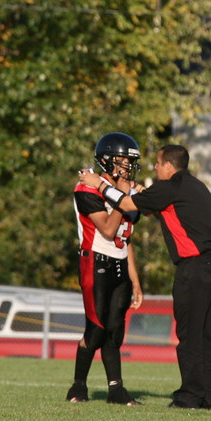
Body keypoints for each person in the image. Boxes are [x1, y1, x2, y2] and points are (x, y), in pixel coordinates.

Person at [79, 144, 211, 410]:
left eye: (158, 164)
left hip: (196, 267)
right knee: (210, 336)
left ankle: (190, 396)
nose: (154, 167)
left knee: (189, 335)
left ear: (169, 166)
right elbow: (151, 204)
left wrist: (99, 185)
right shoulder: (196, 187)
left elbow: (127, 203)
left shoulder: (170, 186)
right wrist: (139, 192)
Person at [67, 132, 144, 406]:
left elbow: (126, 238)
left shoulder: (121, 188)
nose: (127, 166)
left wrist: (135, 280)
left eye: (129, 161)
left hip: (120, 263)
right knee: (97, 329)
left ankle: (116, 390)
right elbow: (109, 230)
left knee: (115, 330)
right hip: (95, 261)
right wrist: (123, 196)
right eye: (122, 160)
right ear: (106, 160)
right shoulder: (87, 187)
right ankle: (78, 386)